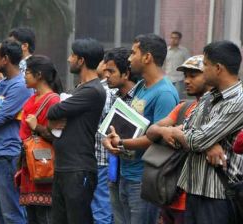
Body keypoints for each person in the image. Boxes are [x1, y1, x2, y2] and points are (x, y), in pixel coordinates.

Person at [103, 34, 179, 224]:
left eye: (134, 52)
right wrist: (108, 138)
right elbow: (123, 122)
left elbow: (158, 139)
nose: (129, 59)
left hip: (144, 179)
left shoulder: (165, 93)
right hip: (125, 173)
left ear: (147, 57)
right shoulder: (140, 87)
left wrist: (120, 143)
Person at [166, 41, 243, 224]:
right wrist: (203, 140)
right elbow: (186, 131)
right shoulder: (209, 96)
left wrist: (182, 134)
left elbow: (195, 139)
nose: (203, 69)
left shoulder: (238, 101)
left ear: (218, 68)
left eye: (205, 65)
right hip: (194, 188)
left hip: (219, 194)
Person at [47, 38, 106, 224]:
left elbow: (53, 110)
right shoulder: (78, 90)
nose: (68, 59)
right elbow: (51, 119)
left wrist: (54, 116)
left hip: (79, 168)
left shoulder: (93, 91)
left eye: (72, 55)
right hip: (63, 166)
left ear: (81, 60)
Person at [146, 55, 209, 224]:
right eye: (185, 76)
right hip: (170, 193)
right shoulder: (184, 107)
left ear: (210, 75)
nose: (187, 81)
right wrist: (166, 131)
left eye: (193, 76)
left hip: (197, 198)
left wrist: (172, 131)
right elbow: (151, 130)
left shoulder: (216, 111)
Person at [0, 39, 31, 224]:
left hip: (9, 154)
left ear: (5, 59)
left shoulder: (21, 86)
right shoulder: (0, 85)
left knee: (11, 212)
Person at [18, 55, 62, 224]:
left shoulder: (54, 101)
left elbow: (58, 136)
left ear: (39, 75)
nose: (24, 76)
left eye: (27, 72)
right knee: (32, 217)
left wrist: (36, 127)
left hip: (44, 165)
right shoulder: (31, 98)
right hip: (29, 165)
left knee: (45, 217)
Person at [102, 47, 140, 224]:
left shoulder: (140, 98)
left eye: (111, 71)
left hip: (136, 175)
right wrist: (106, 140)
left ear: (126, 74)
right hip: (115, 171)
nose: (106, 75)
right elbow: (107, 132)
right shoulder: (114, 97)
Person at [91, 55, 116, 224]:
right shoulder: (107, 89)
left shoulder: (105, 90)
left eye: (109, 69)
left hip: (101, 157)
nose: (106, 73)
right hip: (108, 157)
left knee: (101, 209)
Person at [163, 31, 190, 99]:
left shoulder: (184, 51)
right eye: (172, 38)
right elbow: (163, 64)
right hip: (168, 78)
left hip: (179, 79)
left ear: (179, 39)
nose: (173, 40)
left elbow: (188, 65)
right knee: (168, 97)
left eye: (176, 38)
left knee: (178, 98)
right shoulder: (166, 50)